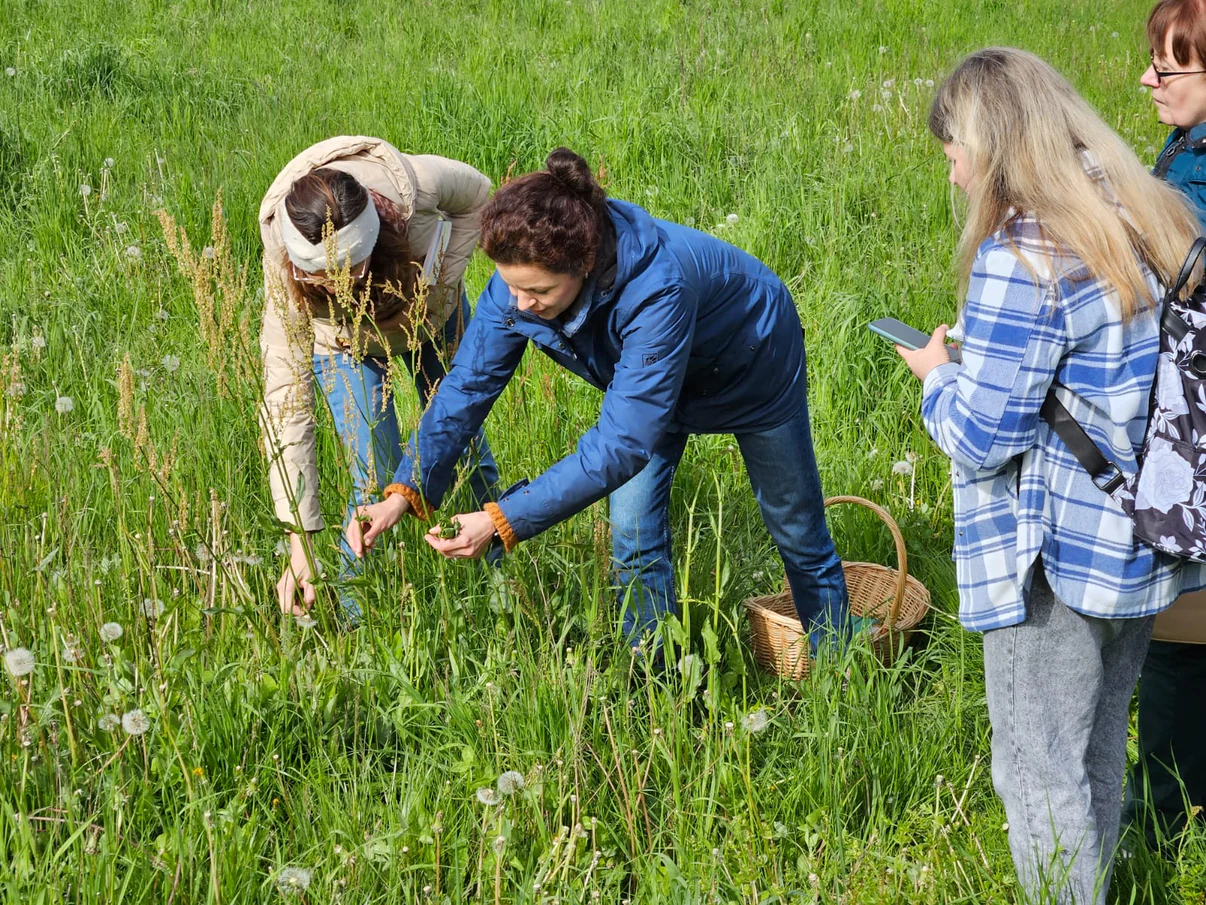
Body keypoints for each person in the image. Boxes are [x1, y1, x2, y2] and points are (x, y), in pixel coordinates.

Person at [898, 48, 1201, 904]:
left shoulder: (1025, 250)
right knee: (1098, 749)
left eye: (954, 149)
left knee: (1036, 769)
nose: (952, 172)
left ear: (990, 144)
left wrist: (935, 377)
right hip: (1141, 538)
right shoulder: (1143, 209)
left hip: (1053, 555)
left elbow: (983, 436)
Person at [346, 147, 850, 652]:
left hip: (753, 363)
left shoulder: (657, 289)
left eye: (538, 290)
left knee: (796, 528)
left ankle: (837, 668)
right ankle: (656, 681)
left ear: (583, 265)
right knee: (632, 538)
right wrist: (404, 490)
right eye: (510, 286)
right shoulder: (521, 281)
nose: (520, 304)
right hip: (650, 385)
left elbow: (622, 442)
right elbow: (467, 386)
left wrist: (502, 520)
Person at [259, 136, 500, 622]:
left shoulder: (414, 188)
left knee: (466, 447)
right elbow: (286, 396)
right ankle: (362, 624)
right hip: (346, 345)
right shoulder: (281, 245)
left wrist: (442, 284)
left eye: (353, 267)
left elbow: (481, 194)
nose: (342, 283)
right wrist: (300, 538)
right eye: (325, 277)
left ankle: (499, 586)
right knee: (373, 473)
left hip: (433, 318)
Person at [1124, 0, 1206, 849]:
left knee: (1180, 634)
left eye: (1170, 66)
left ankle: (1158, 819)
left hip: (1195, 430)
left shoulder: (1196, 183)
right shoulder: (1189, 149)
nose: (1149, 78)